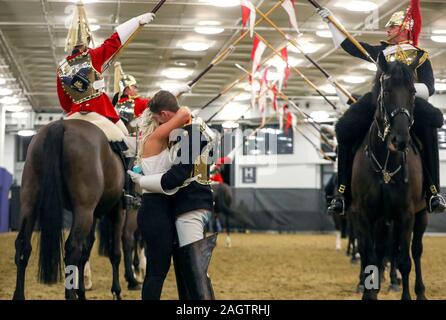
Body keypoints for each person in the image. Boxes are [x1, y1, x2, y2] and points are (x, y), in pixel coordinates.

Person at [317, 4, 446, 215]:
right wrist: (330, 21)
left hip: (409, 101)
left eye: (392, 27)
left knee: (432, 125)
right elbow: (350, 46)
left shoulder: (420, 55)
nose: (387, 30)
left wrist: (408, 90)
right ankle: (341, 193)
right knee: (345, 128)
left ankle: (433, 192)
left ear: (405, 28)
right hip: (380, 99)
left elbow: (429, 87)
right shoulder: (382, 52)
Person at [129, 90, 217, 300]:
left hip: (187, 205)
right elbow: (182, 113)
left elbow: (172, 179)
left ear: (164, 115)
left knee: (192, 268)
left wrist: (141, 181)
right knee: (174, 269)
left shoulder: (191, 133)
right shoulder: (161, 137)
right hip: (166, 207)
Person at [57, 0, 155, 156]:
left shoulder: (62, 69)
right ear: (88, 40)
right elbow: (114, 41)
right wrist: (136, 21)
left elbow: (65, 104)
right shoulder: (93, 56)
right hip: (99, 110)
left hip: (74, 113)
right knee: (127, 143)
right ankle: (130, 180)